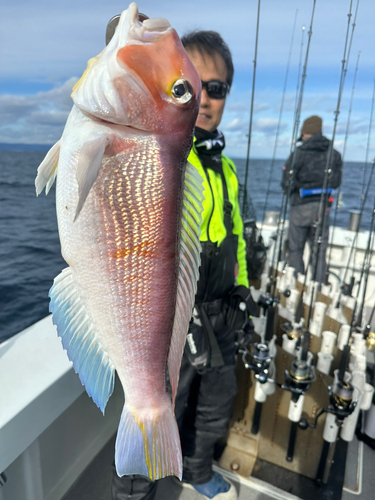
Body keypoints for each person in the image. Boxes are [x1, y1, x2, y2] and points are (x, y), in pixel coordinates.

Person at [112, 30, 255, 500]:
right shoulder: (167, 153)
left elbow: (236, 236)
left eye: (218, 88)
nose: (207, 98)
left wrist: (244, 290)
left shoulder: (226, 168)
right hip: (175, 319)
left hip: (222, 315)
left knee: (214, 405)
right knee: (159, 405)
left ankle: (196, 473)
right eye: (194, 85)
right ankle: (142, 489)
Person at [281, 115, 342, 283]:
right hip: (323, 208)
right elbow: (336, 182)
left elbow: (286, 182)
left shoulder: (298, 154)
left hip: (300, 207)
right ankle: (318, 289)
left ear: (305, 134)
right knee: (319, 252)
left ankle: (296, 286)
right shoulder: (334, 155)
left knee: (295, 250)